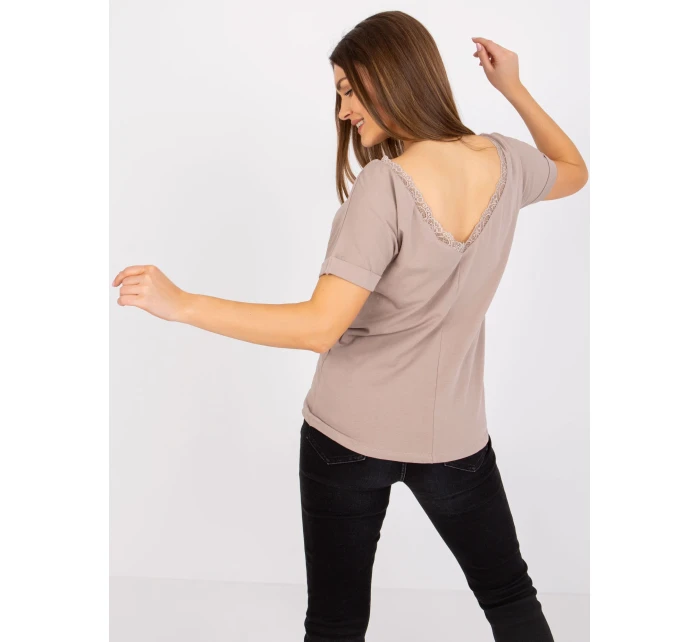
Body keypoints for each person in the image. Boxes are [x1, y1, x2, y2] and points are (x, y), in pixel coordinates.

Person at [112, 10, 587, 642]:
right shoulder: (504, 160)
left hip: (346, 437)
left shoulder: (386, 185)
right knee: (510, 597)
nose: (343, 111)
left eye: (347, 90)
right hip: (454, 438)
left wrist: (183, 304)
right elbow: (573, 169)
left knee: (335, 625)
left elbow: (319, 327)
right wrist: (514, 88)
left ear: (389, 77)